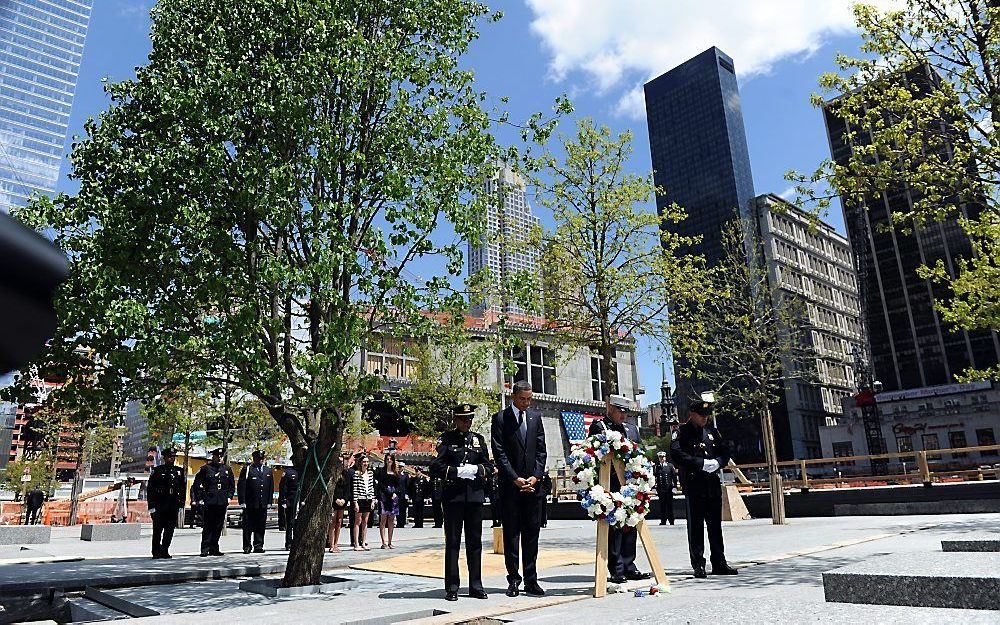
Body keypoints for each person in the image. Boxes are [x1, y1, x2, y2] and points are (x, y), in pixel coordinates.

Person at [430, 403, 493, 602]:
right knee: (453, 542)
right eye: (464, 419)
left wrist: (476, 470)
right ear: (456, 419)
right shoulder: (445, 440)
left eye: (470, 419)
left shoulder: (478, 440)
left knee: (475, 543)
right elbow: (435, 465)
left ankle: (476, 585)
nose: (468, 422)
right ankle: (452, 586)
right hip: (454, 497)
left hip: (474, 497)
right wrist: (457, 471)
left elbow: (488, 465)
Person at [670, 396, 738, 578]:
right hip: (694, 484)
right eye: (701, 415)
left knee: (715, 525)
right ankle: (698, 564)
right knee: (696, 526)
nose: (704, 418)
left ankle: (719, 562)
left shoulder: (712, 432)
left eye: (707, 415)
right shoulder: (681, 432)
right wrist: (700, 463)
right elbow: (676, 454)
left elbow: (725, 451)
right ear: (692, 414)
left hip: (712, 484)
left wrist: (717, 462)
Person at [490, 380, 547, 598]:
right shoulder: (501, 418)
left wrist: (536, 476)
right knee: (512, 535)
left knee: (532, 535)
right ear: (513, 396)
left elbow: (541, 451)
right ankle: (514, 579)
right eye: (522, 399)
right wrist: (515, 478)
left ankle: (531, 580)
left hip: (533, 488)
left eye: (529, 399)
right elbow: (499, 452)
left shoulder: (535, 418)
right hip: (510, 488)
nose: (526, 403)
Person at [589, 395, 650, 584]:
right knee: (614, 526)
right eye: (620, 411)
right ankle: (616, 568)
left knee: (630, 524)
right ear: (610, 408)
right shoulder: (600, 427)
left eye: (626, 412)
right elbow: (597, 451)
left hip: (631, 484)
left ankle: (629, 565)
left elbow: (639, 453)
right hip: (611, 483)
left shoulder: (632, 430)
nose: (624, 415)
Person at [191, 448, 236, 557]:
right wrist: (200, 499)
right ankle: (205, 548)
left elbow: (231, 485)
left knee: (218, 526)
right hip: (209, 502)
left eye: (221, 456)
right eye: (218, 456)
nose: (220, 458)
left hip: (221, 502)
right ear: (213, 457)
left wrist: (229, 497)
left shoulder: (227, 469)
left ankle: (214, 548)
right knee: (208, 526)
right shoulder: (206, 469)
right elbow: (196, 485)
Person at [147, 448, 185, 559]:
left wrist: (181, 505)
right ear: (164, 458)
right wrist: (151, 507)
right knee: (158, 530)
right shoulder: (157, 471)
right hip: (160, 505)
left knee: (169, 530)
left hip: (173, 505)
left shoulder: (179, 471)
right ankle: (156, 551)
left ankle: (165, 550)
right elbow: (151, 490)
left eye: (173, 457)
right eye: (169, 457)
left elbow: (182, 489)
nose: (172, 459)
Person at [238, 450, 274, 554]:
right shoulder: (248, 469)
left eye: (262, 459)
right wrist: (242, 501)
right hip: (250, 503)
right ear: (254, 459)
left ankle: (258, 545)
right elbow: (241, 486)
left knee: (260, 525)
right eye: (258, 459)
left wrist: (269, 501)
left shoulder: (268, 471)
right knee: (248, 526)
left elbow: (270, 486)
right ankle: (247, 546)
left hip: (262, 503)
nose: (260, 461)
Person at [377, 453, 401, 549]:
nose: (389, 461)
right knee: (383, 519)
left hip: (393, 496)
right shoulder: (381, 472)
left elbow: (399, 485)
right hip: (384, 495)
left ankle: (390, 541)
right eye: (387, 459)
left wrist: (395, 493)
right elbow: (381, 485)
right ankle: (384, 542)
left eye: (391, 459)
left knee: (391, 519)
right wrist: (389, 493)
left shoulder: (396, 472)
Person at [351, 455, 375, 551]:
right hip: (360, 498)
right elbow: (355, 488)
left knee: (365, 521)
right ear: (360, 463)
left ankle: (364, 542)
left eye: (367, 462)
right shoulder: (356, 474)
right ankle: (356, 543)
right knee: (358, 521)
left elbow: (371, 487)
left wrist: (373, 500)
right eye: (364, 462)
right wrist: (355, 502)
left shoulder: (370, 474)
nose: (366, 464)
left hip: (368, 498)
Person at [329, 460, 352, 552]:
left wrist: (344, 500)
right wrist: (335, 499)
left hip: (342, 500)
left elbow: (348, 490)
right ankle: (331, 544)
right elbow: (330, 489)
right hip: (334, 501)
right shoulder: (332, 475)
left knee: (339, 521)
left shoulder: (346, 475)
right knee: (332, 522)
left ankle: (336, 544)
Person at [278, 465, 299, 550]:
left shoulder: (300, 471)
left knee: (295, 523)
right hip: (291, 501)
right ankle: (289, 543)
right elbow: (283, 487)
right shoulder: (289, 473)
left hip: (299, 499)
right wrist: (284, 500)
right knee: (290, 522)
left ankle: (296, 541)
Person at [654, 451, 677, 525]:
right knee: (662, 506)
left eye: (663, 457)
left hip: (669, 489)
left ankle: (671, 520)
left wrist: (674, 486)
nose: (662, 458)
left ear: (665, 457)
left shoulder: (670, 466)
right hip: (661, 489)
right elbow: (654, 477)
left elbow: (674, 476)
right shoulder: (656, 467)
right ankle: (663, 521)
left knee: (669, 506)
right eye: (660, 457)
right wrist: (654, 487)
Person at [396, 461, 409, 528]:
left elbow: (407, 485)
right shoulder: (396, 474)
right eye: (400, 467)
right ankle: (398, 522)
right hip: (397, 494)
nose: (400, 468)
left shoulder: (406, 475)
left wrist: (407, 494)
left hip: (403, 494)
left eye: (402, 467)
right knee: (397, 509)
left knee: (403, 509)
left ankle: (402, 522)